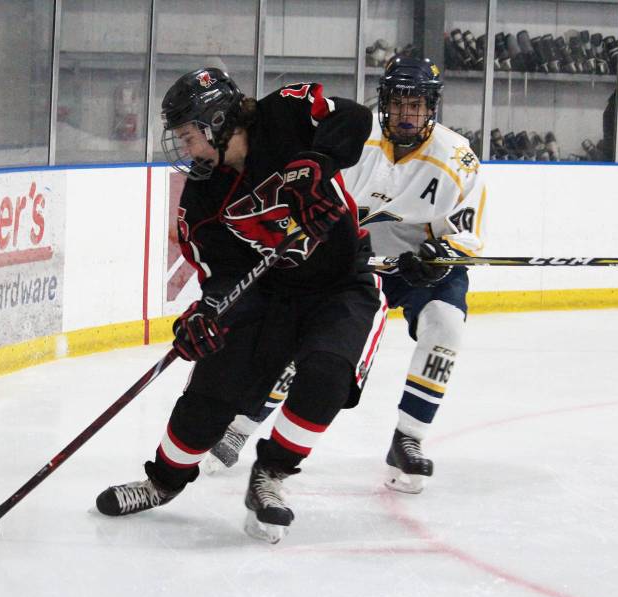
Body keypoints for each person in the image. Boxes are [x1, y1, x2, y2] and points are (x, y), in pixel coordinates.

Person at [94, 67, 385, 543]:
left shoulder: (286, 114)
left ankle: (271, 474)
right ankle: (162, 482)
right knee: (213, 391)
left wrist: (317, 161)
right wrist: (206, 314)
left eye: (189, 137)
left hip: (338, 284)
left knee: (328, 374)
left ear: (216, 120)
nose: (187, 150)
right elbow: (222, 277)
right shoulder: (202, 200)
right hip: (268, 298)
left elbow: (352, 118)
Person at [202, 57, 486, 496]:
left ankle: (408, 437)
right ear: (384, 103)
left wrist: (439, 254)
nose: (406, 115)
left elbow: (468, 233)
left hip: (419, 264)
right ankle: (240, 427)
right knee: (312, 344)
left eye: (416, 105)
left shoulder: (457, 157)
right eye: (398, 104)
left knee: (446, 324)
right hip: (350, 258)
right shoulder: (356, 139)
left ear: (432, 107)